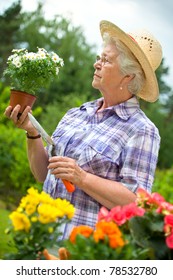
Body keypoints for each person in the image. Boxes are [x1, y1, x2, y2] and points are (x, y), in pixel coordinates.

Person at [4, 20, 162, 240]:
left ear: (128, 76)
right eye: (99, 57)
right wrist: (32, 132)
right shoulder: (75, 114)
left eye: (106, 60)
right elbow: (42, 174)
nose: (97, 64)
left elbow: (135, 202)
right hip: (43, 241)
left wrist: (81, 177)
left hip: (83, 250)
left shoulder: (141, 130)